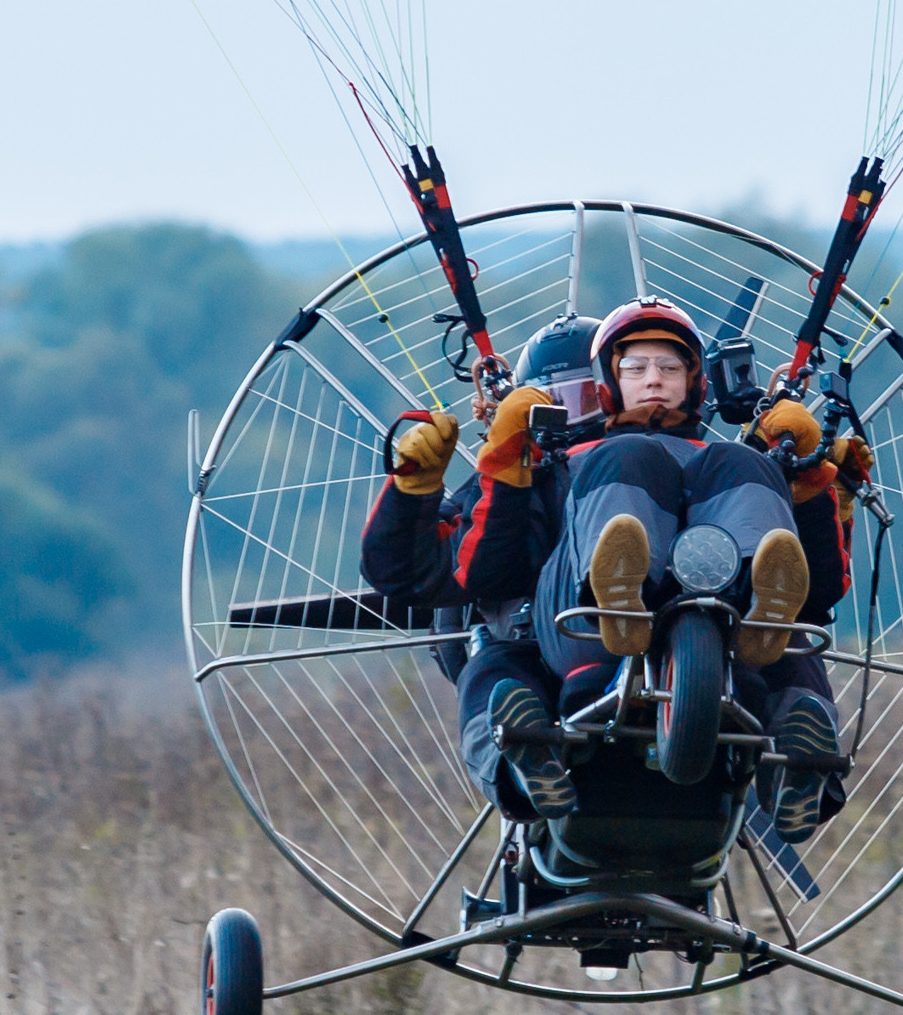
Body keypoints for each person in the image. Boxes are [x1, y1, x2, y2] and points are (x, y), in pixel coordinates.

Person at [359, 297, 872, 845]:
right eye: (635, 369)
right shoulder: (548, 470)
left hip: (727, 652)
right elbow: (447, 575)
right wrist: (441, 483)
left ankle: (795, 750)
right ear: (610, 384)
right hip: (576, 637)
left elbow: (816, 593)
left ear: (695, 380)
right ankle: (535, 733)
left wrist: (815, 481)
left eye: (671, 367)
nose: (655, 381)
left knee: (744, 481)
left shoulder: (729, 460)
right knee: (501, 660)